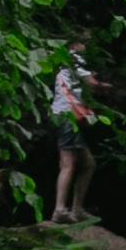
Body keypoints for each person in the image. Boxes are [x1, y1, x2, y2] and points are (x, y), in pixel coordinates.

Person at [50, 41, 101, 222]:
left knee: (88, 164)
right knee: (68, 163)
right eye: (84, 42)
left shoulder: (62, 62)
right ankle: (60, 209)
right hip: (67, 116)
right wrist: (101, 84)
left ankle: (77, 209)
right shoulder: (74, 59)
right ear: (75, 44)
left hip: (64, 115)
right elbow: (91, 83)